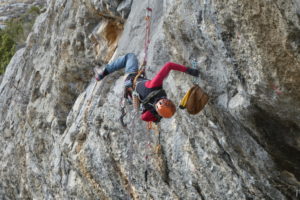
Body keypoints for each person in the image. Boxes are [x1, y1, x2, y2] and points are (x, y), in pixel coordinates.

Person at [94, 53, 199, 123]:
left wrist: (189, 71)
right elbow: (144, 117)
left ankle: (102, 73)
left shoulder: (154, 85)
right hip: (131, 94)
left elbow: (169, 65)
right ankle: (104, 73)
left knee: (130, 57)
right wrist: (156, 116)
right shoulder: (150, 111)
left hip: (131, 79)